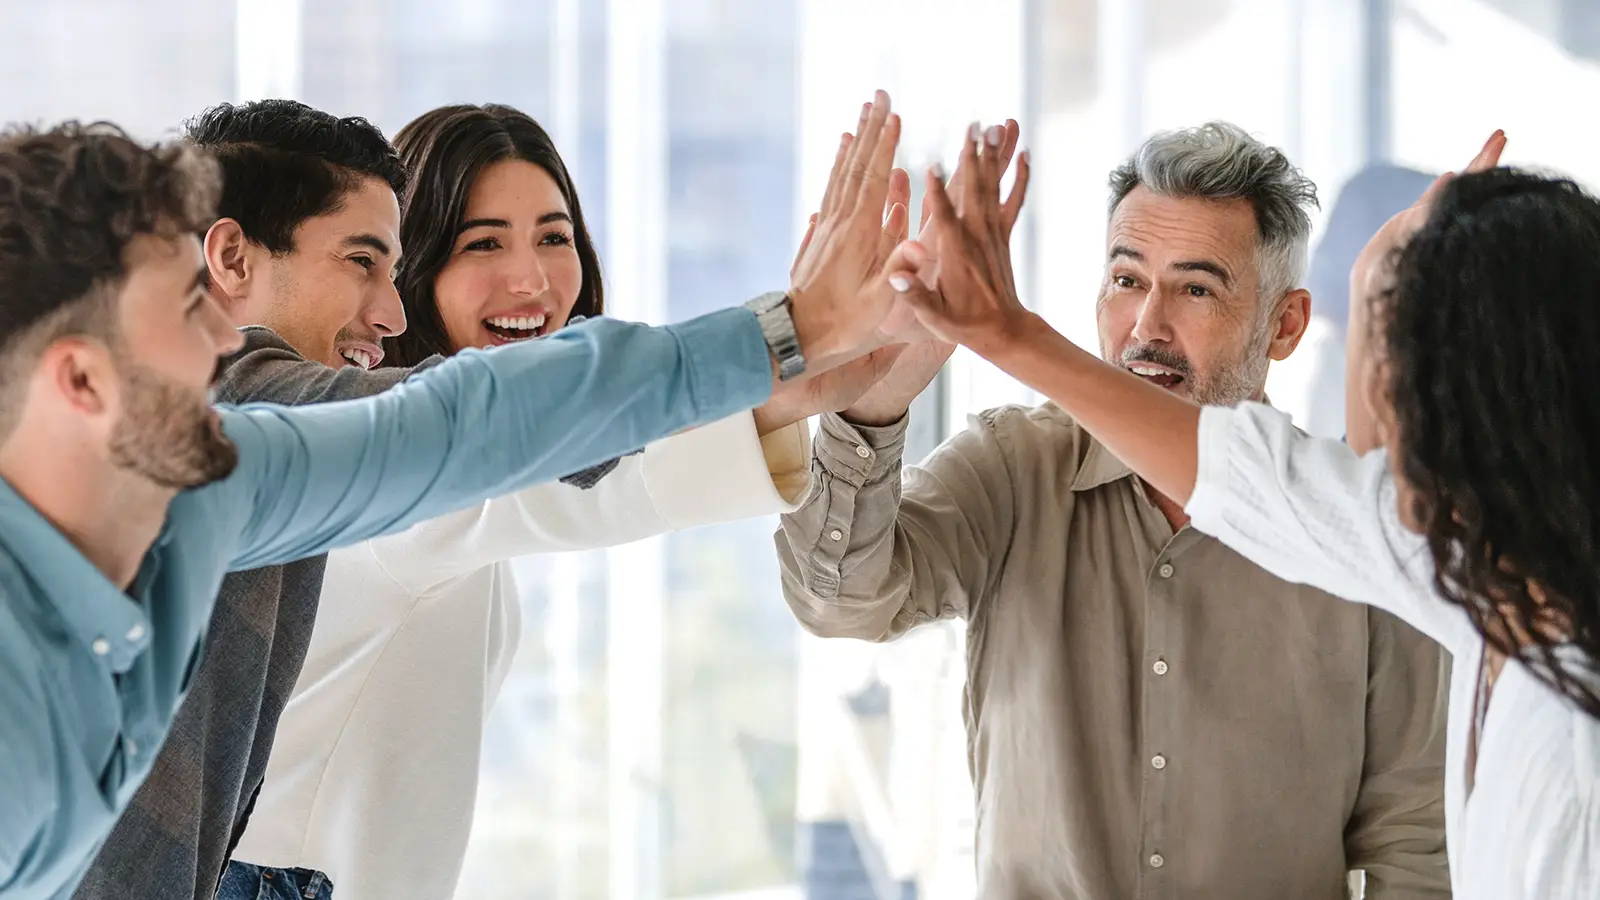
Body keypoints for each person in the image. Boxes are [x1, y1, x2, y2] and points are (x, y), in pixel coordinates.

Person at [0, 89, 902, 900]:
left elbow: (465, 427)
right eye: (186, 309)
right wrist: (790, 337)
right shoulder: (240, 421)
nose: (218, 341)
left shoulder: (225, 486)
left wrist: (787, 356)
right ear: (80, 379)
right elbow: (472, 429)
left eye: (554, 235)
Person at [889, 126, 1599, 899]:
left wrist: (1005, 332)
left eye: (1388, 344)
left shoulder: (1565, 746)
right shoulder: (1455, 566)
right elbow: (1284, 481)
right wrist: (1377, 271)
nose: (1371, 387)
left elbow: (1275, 480)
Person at [776, 122, 1451, 899]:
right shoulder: (1013, 466)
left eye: (1197, 289)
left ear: (1287, 325)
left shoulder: (1350, 525)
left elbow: (1414, 840)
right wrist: (876, 403)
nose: (1147, 327)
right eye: (1128, 280)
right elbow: (838, 601)